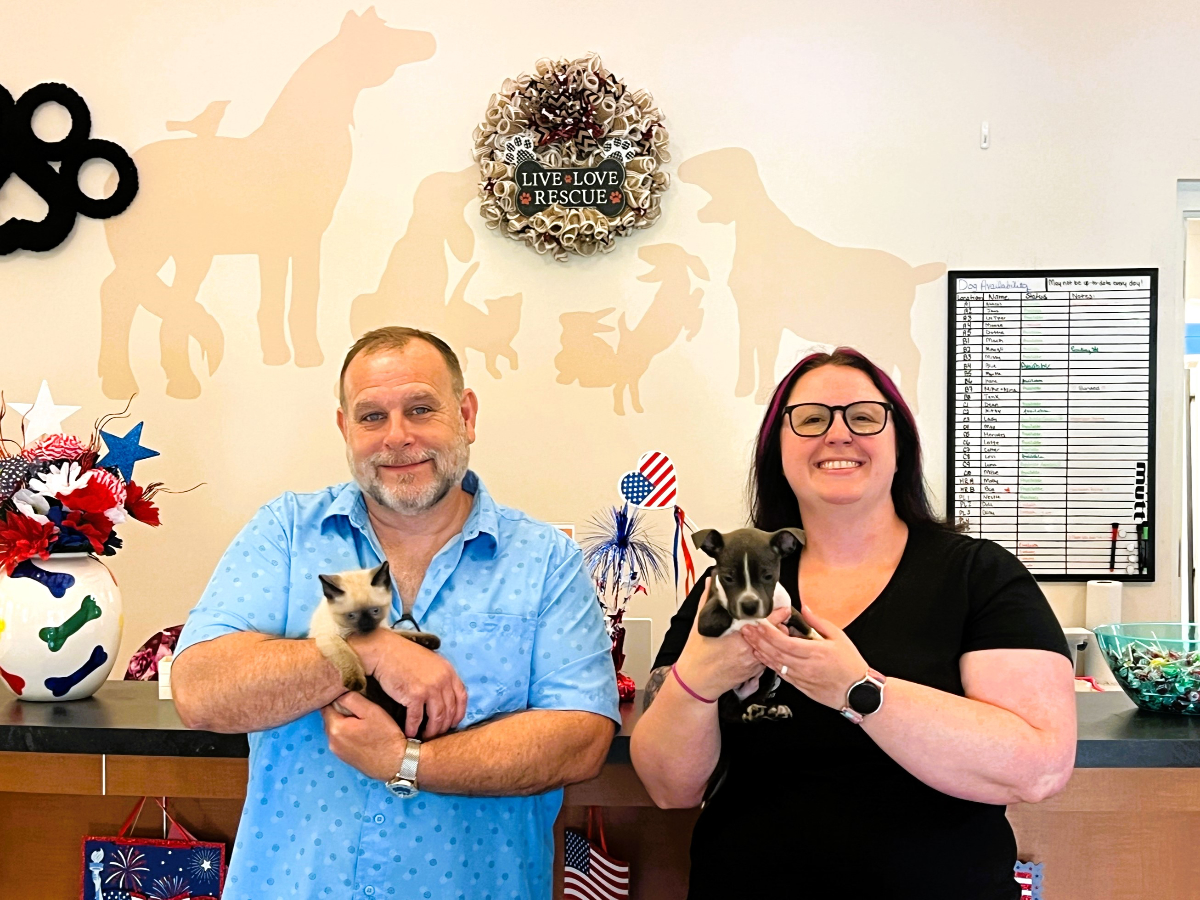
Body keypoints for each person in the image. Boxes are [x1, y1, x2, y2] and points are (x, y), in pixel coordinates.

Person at [171, 326, 620, 900]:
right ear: (344, 429)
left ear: (467, 415)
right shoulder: (284, 533)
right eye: (371, 417)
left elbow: (580, 739)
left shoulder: (545, 561)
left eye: (420, 409)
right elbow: (201, 691)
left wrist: (406, 761)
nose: (398, 437)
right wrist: (361, 650)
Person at [630, 347, 1076, 899]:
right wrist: (699, 675)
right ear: (779, 450)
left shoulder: (979, 576)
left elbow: (1038, 768)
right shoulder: (728, 586)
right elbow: (668, 787)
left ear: (900, 447)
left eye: (863, 417)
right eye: (812, 418)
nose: (838, 434)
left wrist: (857, 690)